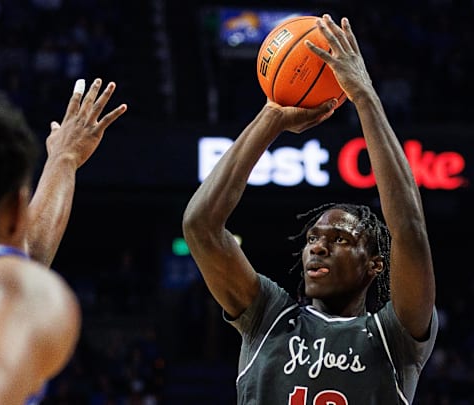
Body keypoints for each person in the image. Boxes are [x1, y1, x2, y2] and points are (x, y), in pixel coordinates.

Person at [183, 14, 438, 404]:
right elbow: (200, 226)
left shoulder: (395, 337)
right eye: (314, 238)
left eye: (340, 239)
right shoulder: (267, 317)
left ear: (375, 264)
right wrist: (271, 117)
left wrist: (365, 96)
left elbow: (409, 230)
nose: (318, 247)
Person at [0, 77, 127, 404]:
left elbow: (24, 253)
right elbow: (19, 263)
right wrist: (64, 158)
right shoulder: (17, 288)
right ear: (17, 209)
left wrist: (65, 159)